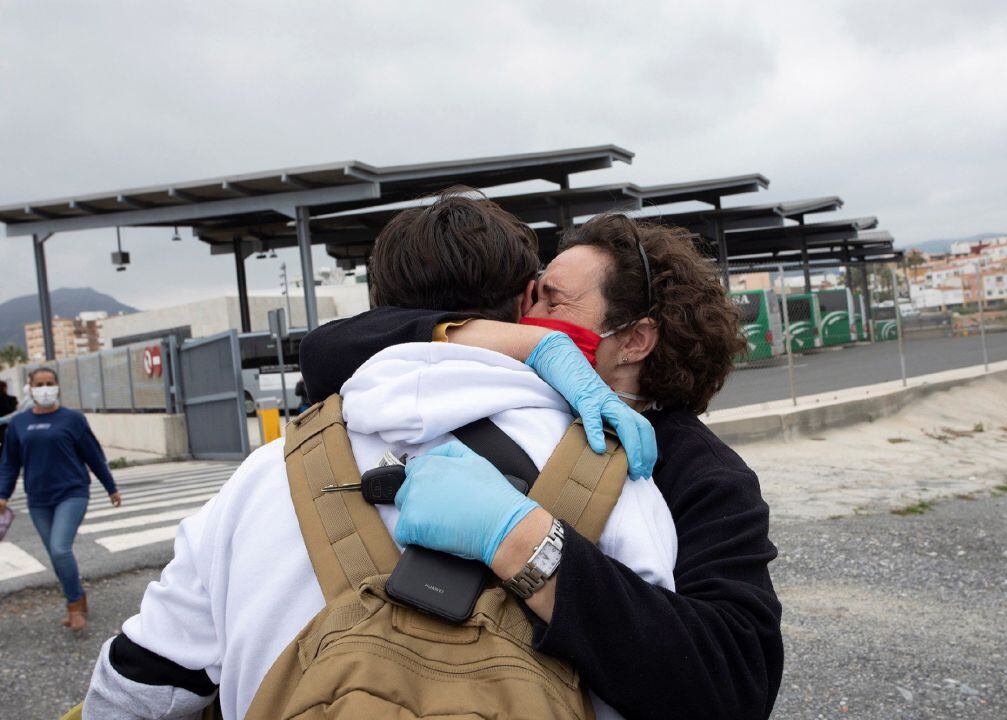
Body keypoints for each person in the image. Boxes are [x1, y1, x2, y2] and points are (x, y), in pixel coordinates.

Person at [83, 193, 675, 720]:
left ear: (377, 303)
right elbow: (658, 677)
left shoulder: (264, 476)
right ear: (527, 299)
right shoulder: (610, 469)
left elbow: (144, 684)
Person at [299, 210, 784, 719]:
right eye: (531, 297)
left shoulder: (700, 472)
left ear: (636, 340)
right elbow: (328, 348)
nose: (525, 313)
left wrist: (525, 544)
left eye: (553, 301)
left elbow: (736, 678)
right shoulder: (512, 402)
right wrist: (539, 343)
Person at [0, 367, 122, 632]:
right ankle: (77, 594)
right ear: (30, 389)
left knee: (59, 548)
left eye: (50, 383)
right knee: (56, 556)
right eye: (40, 384)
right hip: (38, 499)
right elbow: (9, 463)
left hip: (72, 492)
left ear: (57, 386)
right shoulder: (18, 424)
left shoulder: (73, 419)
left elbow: (93, 455)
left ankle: (74, 606)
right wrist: (2, 495)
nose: (45, 388)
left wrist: (110, 487)